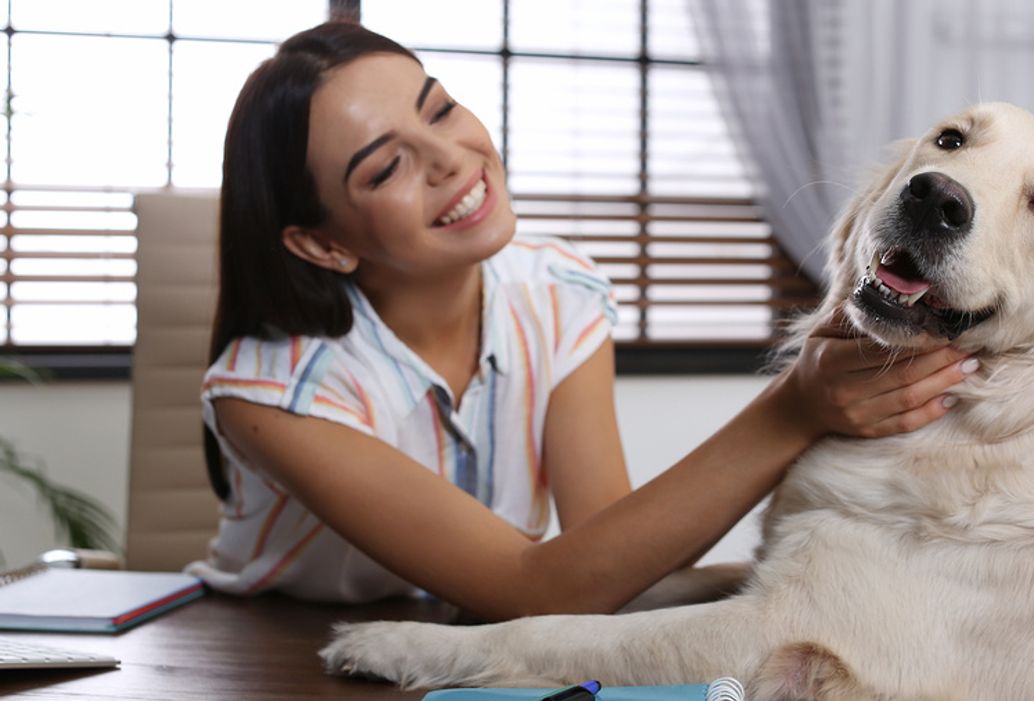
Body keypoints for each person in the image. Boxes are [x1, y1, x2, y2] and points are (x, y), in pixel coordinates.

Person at [186, 21, 976, 621]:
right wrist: (793, 407)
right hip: (276, 648)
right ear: (321, 242)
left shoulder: (555, 289)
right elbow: (544, 587)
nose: (451, 157)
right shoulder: (269, 392)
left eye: (440, 109)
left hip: (467, 640)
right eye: (387, 165)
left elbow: (609, 554)